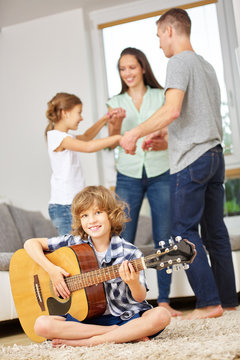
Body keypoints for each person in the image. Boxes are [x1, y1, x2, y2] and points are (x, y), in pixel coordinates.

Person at [120, 8, 238, 319]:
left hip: (191, 162)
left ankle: (209, 303)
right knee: (215, 232)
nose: (159, 43)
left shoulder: (178, 62)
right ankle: (228, 302)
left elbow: (172, 110)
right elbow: (200, 121)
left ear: (170, 31)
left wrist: (134, 131)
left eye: (159, 35)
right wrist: (166, 139)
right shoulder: (207, 66)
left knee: (182, 232)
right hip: (214, 157)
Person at [24, 185, 171, 347]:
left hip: (125, 316)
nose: (92, 220)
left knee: (161, 315)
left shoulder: (130, 252)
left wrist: (133, 282)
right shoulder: (74, 243)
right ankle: (119, 334)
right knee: (41, 325)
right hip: (87, 321)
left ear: (111, 215)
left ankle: (89, 342)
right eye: (85, 215)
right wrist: (51, 270)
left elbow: (140, 297)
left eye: (98, 213)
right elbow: (30, 244)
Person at [106, 47, 181, 317]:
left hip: (161, 172)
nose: (127, 73)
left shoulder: (161, 96)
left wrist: (162, 139)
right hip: (127, 174)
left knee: (164, 238)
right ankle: (124, 302)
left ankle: (163, 300)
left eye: (132, 67)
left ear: (143, 68)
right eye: (122, 69)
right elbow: (113, 138)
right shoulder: (114, 101)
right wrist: (115, 124)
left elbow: (172, 132)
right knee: (122, 238)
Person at [45, 92, 121, 236]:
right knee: (72, 248)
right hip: (65, 205)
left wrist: (104, 119)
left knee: (80, 246)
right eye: (79, 113)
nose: (81, 118)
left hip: (70, 204)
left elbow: (86, 137)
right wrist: (118, 138)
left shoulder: (65, 137)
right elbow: (88, 147)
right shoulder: (56, 137)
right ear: (65, 113)